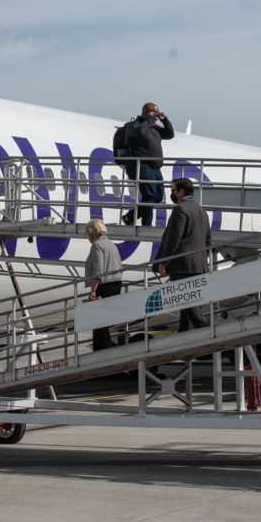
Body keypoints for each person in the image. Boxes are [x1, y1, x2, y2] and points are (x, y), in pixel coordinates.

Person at [154, 177, 212, 331]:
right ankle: (183, 332)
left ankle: (203, 327)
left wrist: (164, 262)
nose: (172, 194)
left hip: (182, 265)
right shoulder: (201, 210)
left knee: (183, 299)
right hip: (199, 264)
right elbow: (208, 239)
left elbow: (174, 238)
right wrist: (201, 260)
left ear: (181, 192)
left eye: (173, 190)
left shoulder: (180, 209)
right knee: (188, 299)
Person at [122, 102, 175, 226]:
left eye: (156, 117)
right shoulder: (134, 126)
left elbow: (170, 134)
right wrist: (150, 119)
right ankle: (147, 224)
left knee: (158, 196)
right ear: (147, 114)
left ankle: (130, 216)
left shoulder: (154, 128)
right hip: (142, 166)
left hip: (155, 168)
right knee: (149, 195)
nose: (156, 119)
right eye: (154, 116)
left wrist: (165, 120)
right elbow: (141, 132)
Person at [84, 218, 124, 350]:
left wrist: (93, 290)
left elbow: (98, 270)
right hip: (116, 284)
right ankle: (104, 347)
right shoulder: (111, 244)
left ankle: (102, 349)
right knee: (104, 320)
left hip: (105, 285)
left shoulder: (97, 245)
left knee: (99, 321)